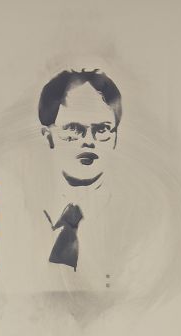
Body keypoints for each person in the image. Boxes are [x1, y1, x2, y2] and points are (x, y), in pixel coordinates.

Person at [38, 69, 122, 272]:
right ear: (48, 137)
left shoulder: (132, 216)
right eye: (74, 129)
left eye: (101, 130)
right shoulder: (24, 210)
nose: (89, 142)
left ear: (115, 137)